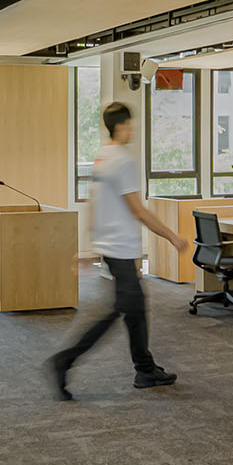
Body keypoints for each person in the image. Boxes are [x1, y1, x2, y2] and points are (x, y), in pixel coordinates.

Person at [47, 101, 187, 400]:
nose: (132, 129)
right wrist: (171, 236)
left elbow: (93, 203)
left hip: (111, 248)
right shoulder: (123, 161)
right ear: (121, 126)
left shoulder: (102, 158)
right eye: (130, 124)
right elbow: (138, 210)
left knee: (135, 310)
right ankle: (64, 361)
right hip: (122, 251)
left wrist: (90, 246)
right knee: (118, 312)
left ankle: (145, 369)